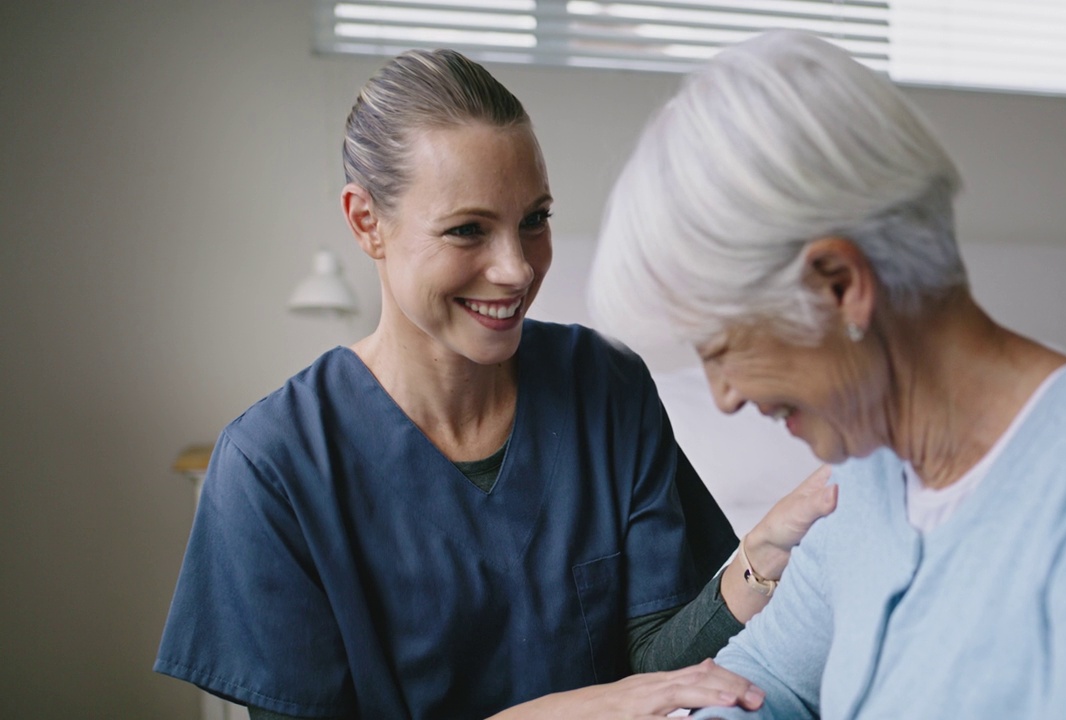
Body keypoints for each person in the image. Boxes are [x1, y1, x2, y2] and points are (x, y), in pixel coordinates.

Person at [154, 48, 837, 719]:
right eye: (468, 230)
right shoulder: (272, 466)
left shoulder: (606, 388)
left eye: (534, 219)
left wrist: (763, 555)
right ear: (367, 222)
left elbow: (658, 673)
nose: (515, 268)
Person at [587, 30, 1066, 719]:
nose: (724, 398)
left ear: (839, 286)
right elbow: (758, 679)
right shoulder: (867, 475)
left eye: (723, 349)